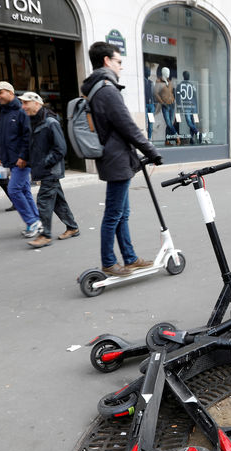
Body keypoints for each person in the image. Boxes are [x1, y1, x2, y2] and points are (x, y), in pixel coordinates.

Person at [81, 42, 162, 277]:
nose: (121, 67)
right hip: (116, 160)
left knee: (121, 213)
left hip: (115, 158)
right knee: (114, 214)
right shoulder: (106, 89)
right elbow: (127, 125)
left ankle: (130, 258)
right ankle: (109, 261)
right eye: (118, 62)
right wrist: (151, 151)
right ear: (107, 61)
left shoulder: (98, 87)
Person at [19, 92, 79, 249]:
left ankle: (45, 235)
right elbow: (31, 144)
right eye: (22, 103)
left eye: (26, 103)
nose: (23, 106)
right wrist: (25, 158)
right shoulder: (33, 121)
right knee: (58, 201)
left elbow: (61, 148)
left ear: (37, 104)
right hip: (43, 169)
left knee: (44, 201)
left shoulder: (50, 122)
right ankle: (72, 227)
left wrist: (45, 163)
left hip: (50, 170)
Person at [0, 80, 42, 238]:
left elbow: (28, 136)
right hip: (10, 159)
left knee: (13, 190)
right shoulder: (4, 112)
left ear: (10, 93)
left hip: (21, 160)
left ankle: (33, 222)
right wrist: (0, 157)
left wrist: (23, 157)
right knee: (24, 190)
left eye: (0, 92)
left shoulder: (21, 111)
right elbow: (4, 138)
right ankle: (36, 221)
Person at [154, 66, 178, 145]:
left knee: (170, 123)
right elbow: (156, 94)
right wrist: (162, 102)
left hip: (171, 105)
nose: (169, 73)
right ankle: (176, 135)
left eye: (169, 72)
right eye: (167, 72)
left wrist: (174, 101)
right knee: (168, 123)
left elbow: (171, 93)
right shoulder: (159, 82)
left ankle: (167, 141)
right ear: (163, 72)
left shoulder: (170, 82)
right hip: (165, 105)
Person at [176, 71, 200, 144]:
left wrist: (196, 107)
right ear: (184, 76)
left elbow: (195, 96)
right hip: (188, 106)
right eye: (187, 75)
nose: (188, 76)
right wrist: (180, 106)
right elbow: (178, 97)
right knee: (189, 122)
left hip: (191, 106)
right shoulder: (182, 85)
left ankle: (192, 138)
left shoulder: (189, 85)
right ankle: (197, 133)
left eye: (188, 75)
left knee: (191, 122)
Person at [144, 65, 155, 140]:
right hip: (145, 105)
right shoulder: (142, 82)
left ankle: (149, 138)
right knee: (145, 122)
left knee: (151, 122)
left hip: (151, 105)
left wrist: (154, 104)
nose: (149, 72)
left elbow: (153, 93)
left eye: (150, 71)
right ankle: (145, 138)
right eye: (148, 71)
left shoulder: (151, 82)